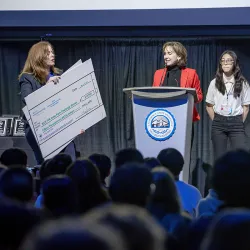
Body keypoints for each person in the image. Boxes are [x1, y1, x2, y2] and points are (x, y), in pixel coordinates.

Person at [19, 41, 78, 164]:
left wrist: (77, 123)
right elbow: (27, 99)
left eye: (52, 52)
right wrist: (46, 87)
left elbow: (68, 102)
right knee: (48, 166)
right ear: (38, 56)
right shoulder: (27, 77)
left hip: (61, 126)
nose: (52, 55)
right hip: (39, 129)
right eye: (48, 52)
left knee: (70, 162)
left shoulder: (59, 75)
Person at [206, 50, 250, 160]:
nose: (225, 63)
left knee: (240, 157)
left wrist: (239, 120)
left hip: (236, 123)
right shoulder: (214, 82)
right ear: (220, 64)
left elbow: (246, 106)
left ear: (235, 63)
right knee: (219, 158)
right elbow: (209, 105)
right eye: (223, 61)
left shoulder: (243, 83)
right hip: (219, 123)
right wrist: (217, 119)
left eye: (229, 61)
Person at [153, 41, 203, 122]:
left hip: (184, 116)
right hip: (163, 116)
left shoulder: (191, 73)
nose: (165, 56)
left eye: (169, 53)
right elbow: (153, 94)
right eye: (165, 54)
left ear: (179, 56)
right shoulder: (158, 74)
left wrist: (192, 95)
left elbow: (199, 96)